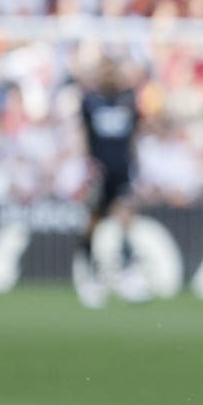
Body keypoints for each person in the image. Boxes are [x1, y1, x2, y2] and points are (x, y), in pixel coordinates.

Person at [73, 49, 141, 307]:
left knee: (125, 218)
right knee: (94, 221)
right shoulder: (89, 101)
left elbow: (134, 136)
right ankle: (87, 273)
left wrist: (136, 168)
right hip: (99, 172)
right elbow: (83, 136)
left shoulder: (128, 100)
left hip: (122, 170)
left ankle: (126, 274)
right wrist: (86, 167)